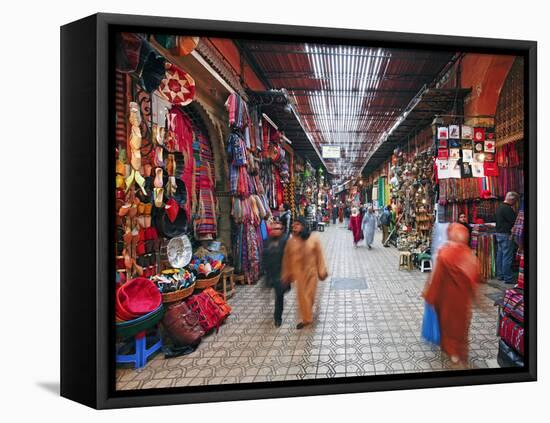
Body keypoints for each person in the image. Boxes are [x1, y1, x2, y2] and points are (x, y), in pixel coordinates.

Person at [423, 223, 481, 366]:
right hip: (463, 303)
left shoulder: (445, 254)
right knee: (461, 328)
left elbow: (436, 280)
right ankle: (459, 352)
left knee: (448, 327)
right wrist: (477, 300)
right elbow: (474, 280)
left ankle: (453, 353)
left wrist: (429, 296)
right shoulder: (470, 256)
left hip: (447, 302)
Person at [281, 217, 328, 329]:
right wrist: (287, 273)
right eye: (293, 225)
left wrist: (322, 270)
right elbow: (287, 259)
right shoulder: (291, 241)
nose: (294, 227)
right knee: (302, 297)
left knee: (310, 296)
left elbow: (319, 256)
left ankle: (307, 315)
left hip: (311, 273)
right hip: (299, 275)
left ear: (303, 226)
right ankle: (306, 318)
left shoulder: (313, 239)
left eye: (297, 224)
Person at [262, 220, 290, 327]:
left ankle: (277, 317)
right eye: (273, 229)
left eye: (278, 229)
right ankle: (277, 315)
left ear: (281, 230)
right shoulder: (267, 241)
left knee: (279, 297)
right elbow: (264, 257)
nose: (275, 231)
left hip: (281, 274)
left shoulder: (285, 240)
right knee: (275, 294)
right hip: (270, 273)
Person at [495, 192, 519, 284]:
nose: (515, 203)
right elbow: (514, 221)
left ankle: (500, 275)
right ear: (512, 199)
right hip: (506, 235)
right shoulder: (508, 209)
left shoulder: (500, 207)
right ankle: (508, 278)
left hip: (499, 234)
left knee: (500, 255)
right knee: (507, 257)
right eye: (515, 201)